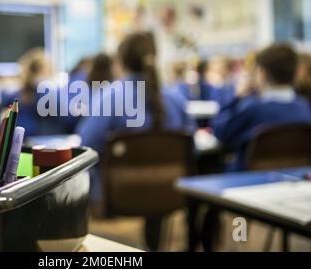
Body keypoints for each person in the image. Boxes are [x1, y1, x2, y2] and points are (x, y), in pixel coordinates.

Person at [75, 32, 195, 251]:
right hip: (171, 191)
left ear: (120, 62)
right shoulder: (176, 98)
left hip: (120, 195)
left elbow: (86, 143)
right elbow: (191, 142)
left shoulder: (109, 96)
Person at [212, 43, 311, 171]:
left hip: (247, 182)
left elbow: (220, 131)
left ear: (262, 74)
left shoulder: (254, 109)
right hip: (295, 179)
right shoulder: (304, 108)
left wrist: (237, 97)